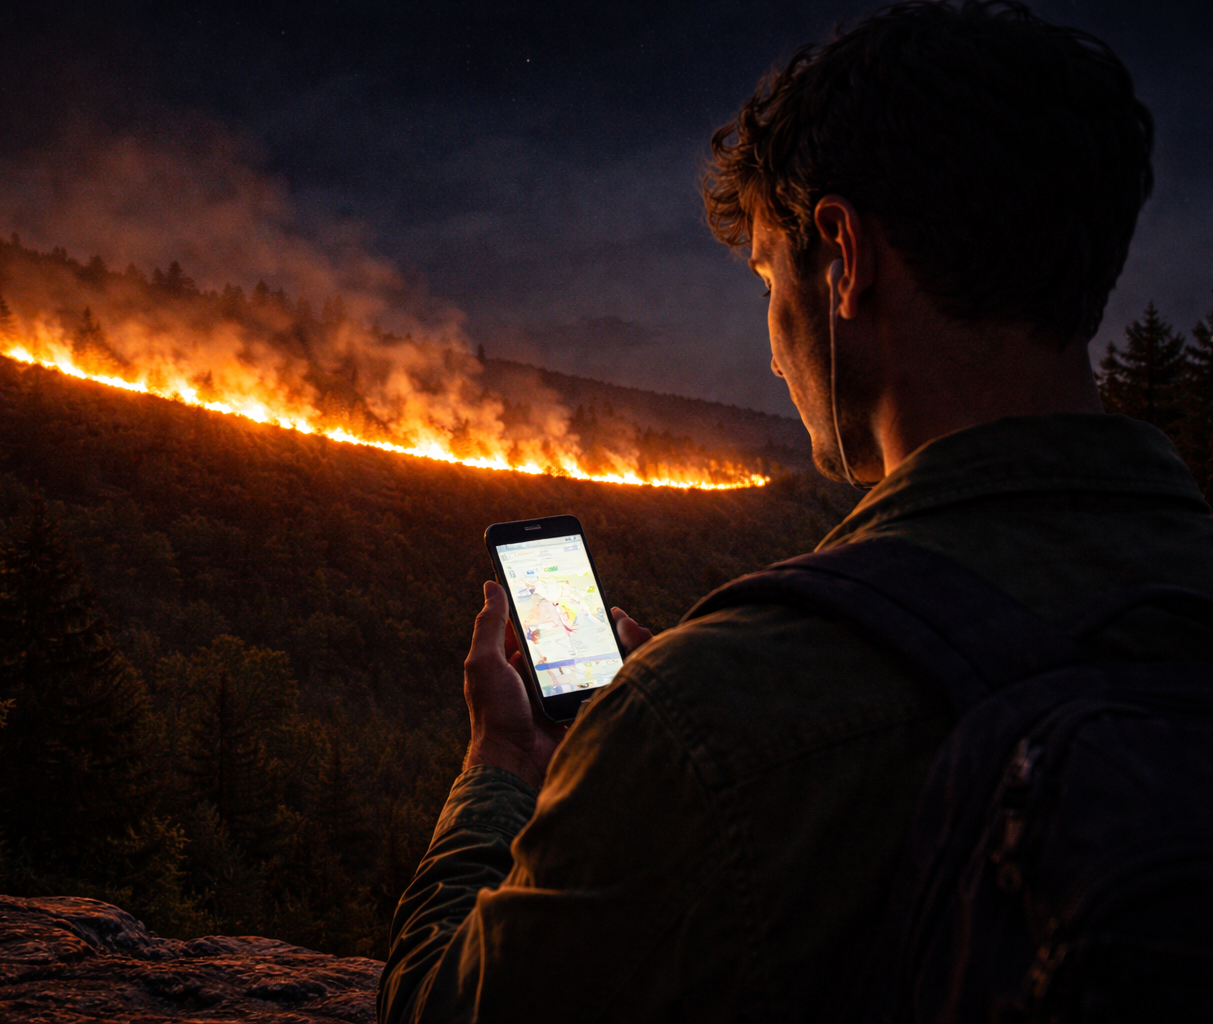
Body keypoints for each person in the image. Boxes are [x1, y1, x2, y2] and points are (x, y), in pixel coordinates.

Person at [378, 1, 1213, 1021]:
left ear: (844, 258)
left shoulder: (712, 718)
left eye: (772, 277)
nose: (774, 348)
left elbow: (444, 1008)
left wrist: (505, 764)